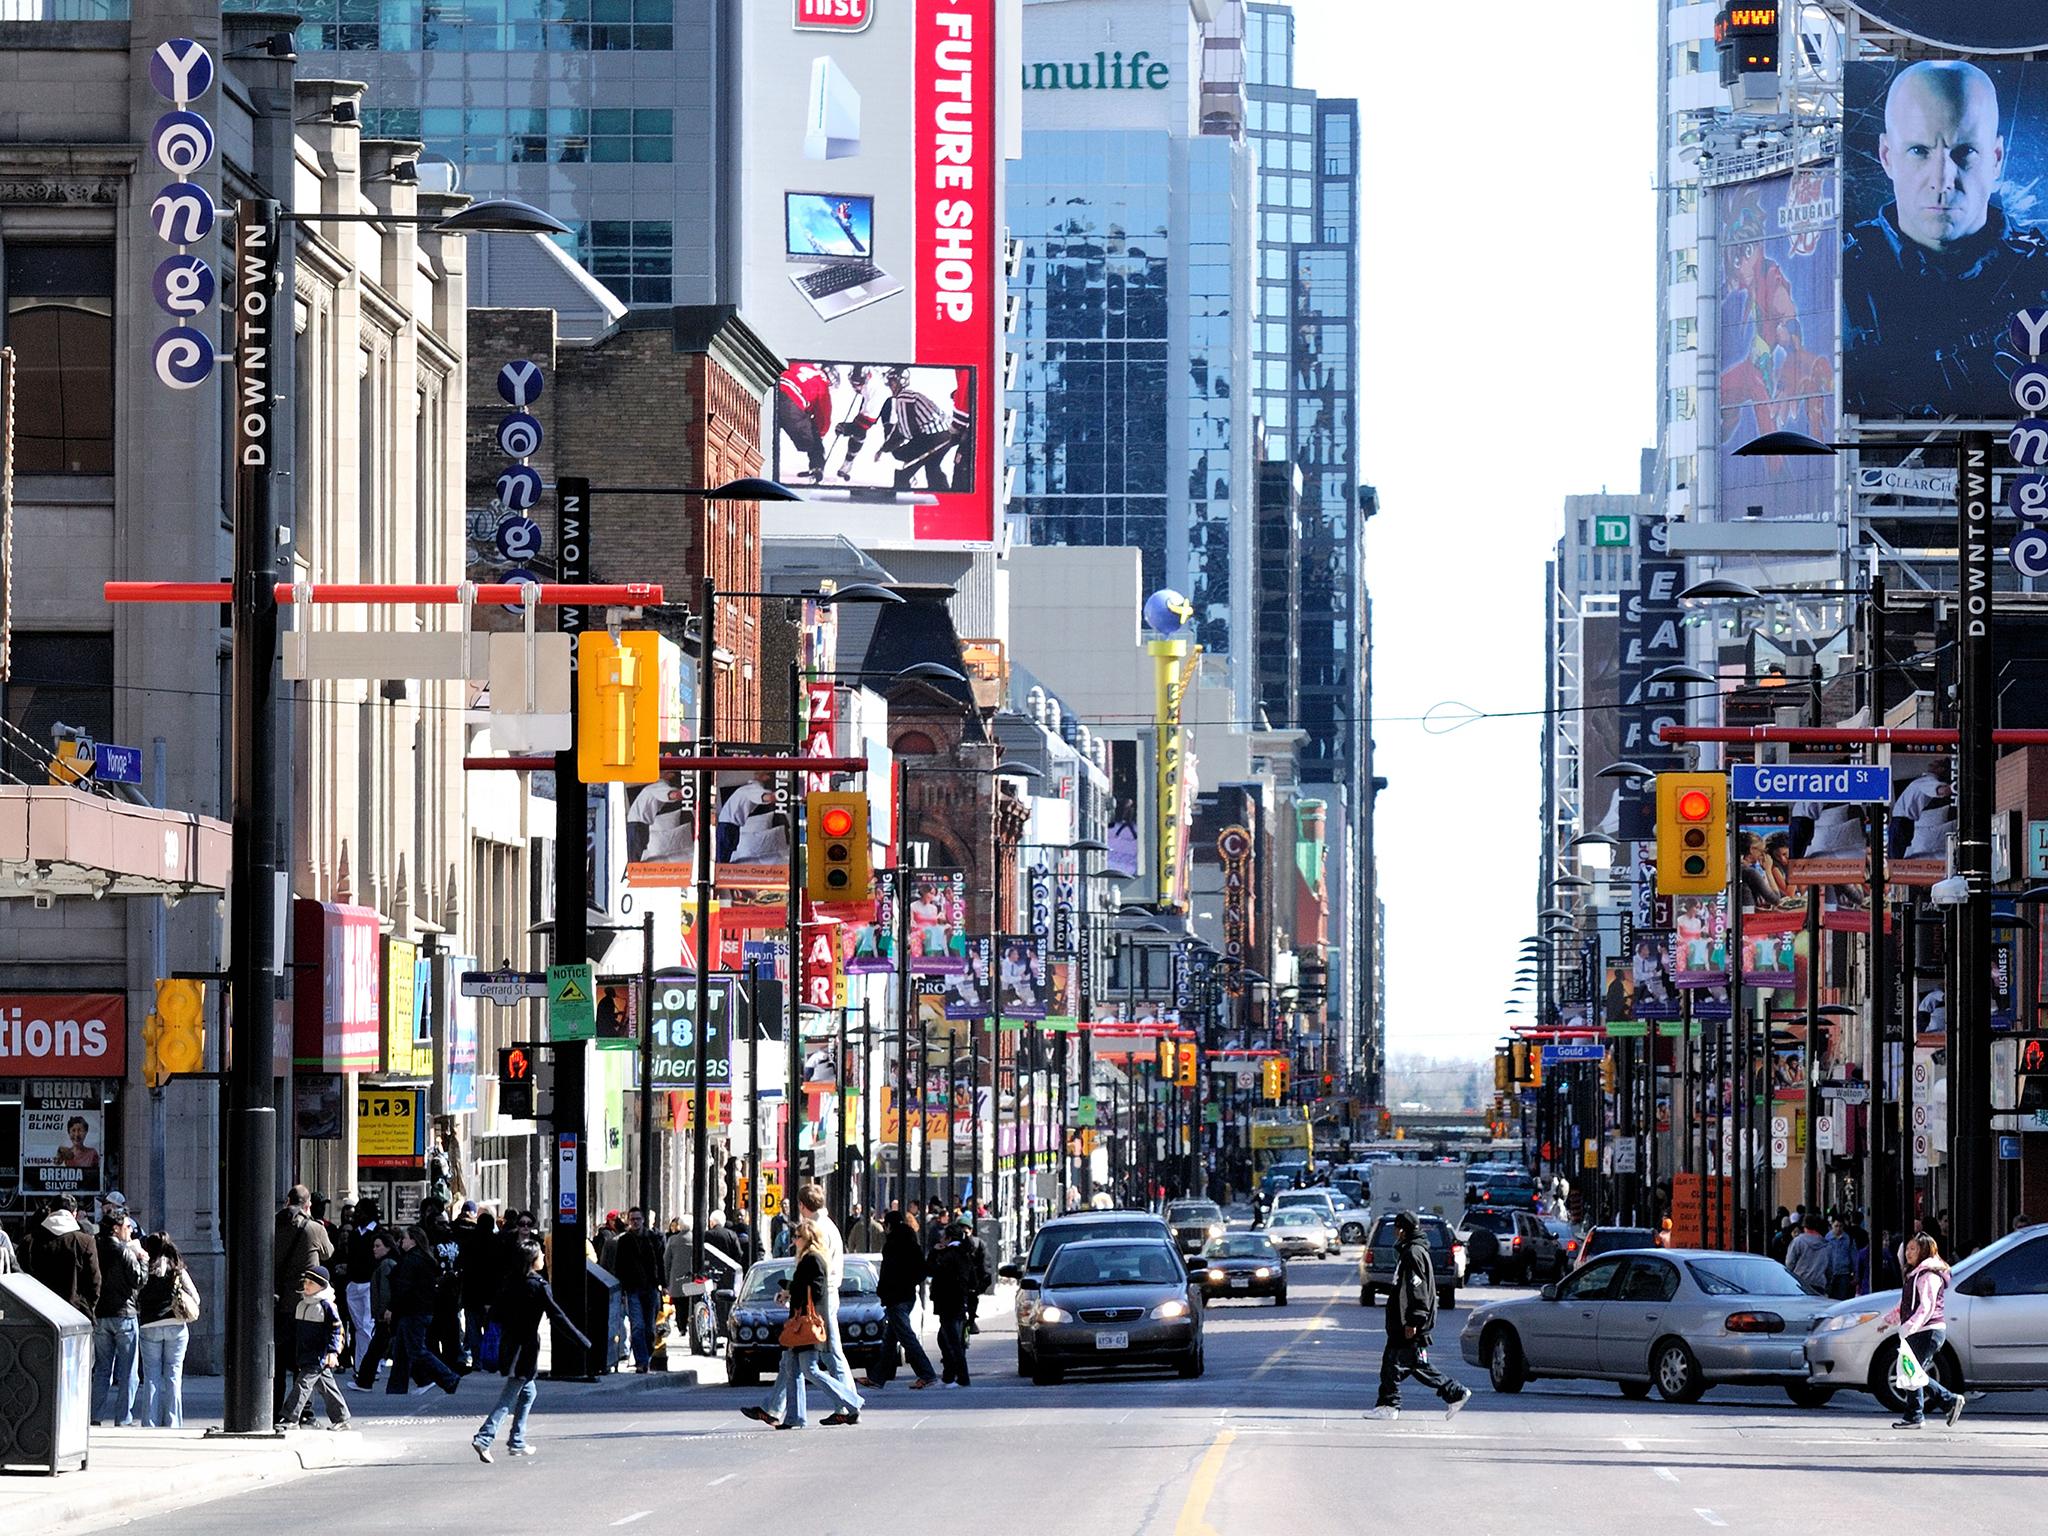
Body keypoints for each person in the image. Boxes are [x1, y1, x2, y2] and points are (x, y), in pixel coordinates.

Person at [1844, 60, 2048, 420]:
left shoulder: (2040, 270)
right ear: (1887, 157)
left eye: (1964, 151)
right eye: (1919, 150)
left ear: (1996, 158)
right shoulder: (1838, 280)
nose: (1942, 179)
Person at [472, 1239, 589, 1462]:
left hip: (510, 1346)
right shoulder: (537, 1285)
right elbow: (558, 1316)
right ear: (532, 1260)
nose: (544, 1258)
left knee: (528, 1392)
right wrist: (581, 1341)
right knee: (510, 1396)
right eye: (541, 1255)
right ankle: (484, 1437)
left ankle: (517, 1441)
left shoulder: (509, 1281)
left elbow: (494, 1314)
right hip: (523, 1349)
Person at [739, 1221, 864, 1430]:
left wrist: (792, 1289)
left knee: (810, 1370)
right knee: (791, 1368)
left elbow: (816, 1290)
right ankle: (794, 1417)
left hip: (806, 1323)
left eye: (798, 1237)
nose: (794, 1240)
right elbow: (805, 1286)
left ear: (808, 1239)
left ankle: (851, 1402)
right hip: (799, 1323)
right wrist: (789, 1288)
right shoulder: (808, 1259)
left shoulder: (813, 1259)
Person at [1364, 1212, 1471, 1422]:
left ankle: (1390, 1405)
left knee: (1397, 1365)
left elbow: (1418, 1289)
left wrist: (1414, 1320)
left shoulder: (1413, 1253)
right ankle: (1451, 1393)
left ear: (1402, 1229)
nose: (1395, 1232)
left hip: (1409, 1322)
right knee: (1405, 1364)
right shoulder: (1412, 1251)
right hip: (1403, 1321)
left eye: (1396, 1228)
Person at [1888, 1232, 1964, 1430]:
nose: (1908, 1253)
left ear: (1924, 1251)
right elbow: (1904, 1303)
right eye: (1907, 1249)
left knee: (1912, 1371)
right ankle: (1918, 1414)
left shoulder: (1928, 1275)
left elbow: (1926, 1306)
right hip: (1922, 1330)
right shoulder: (1917, 1274)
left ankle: (1941, 1404)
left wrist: (1909, 1326)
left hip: (1927, 1330)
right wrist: (1888, 1320)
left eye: (1913, 1249)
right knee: (1912, 1370)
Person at [272, 1185, 334, 1421]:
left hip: (278, 1303)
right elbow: (328, 1253)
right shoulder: (313, 1228)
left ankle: (275, 1407)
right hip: (304, 1302)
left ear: (287, 1201)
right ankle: (304, 1411)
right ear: (307, 1205)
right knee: (305, 1358)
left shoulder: (274, 1225)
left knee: (277, 1359)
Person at [863, 1209, 939, 1390]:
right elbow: (921, 1269)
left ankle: (926, 1374)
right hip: (906, 1294)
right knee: (890, 1339)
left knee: (906, 1337)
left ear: (888, 1225)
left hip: (895, 1297)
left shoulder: (892, 1245)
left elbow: (888, 1273)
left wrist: (885, 1291)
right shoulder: (912, 1243)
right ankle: (878, 1377)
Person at [796, 1181, 857, 1390]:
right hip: (826, 1293)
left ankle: (850, 1400)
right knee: (799, 1358)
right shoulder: (829, 1225)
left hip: (821, 1295)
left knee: (831, 1351)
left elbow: (816, 1267)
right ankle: (776, 1407)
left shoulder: (818, 1229)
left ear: (803, 1206)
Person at [278, 1264, 352, 1432]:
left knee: (302, 1385)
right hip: (306, 1355)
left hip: (318, 1355)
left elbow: (336, 1329)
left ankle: (290, 1417)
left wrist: (333, 1351)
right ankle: (341, 1418)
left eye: (311, 1283)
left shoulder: (326, 1306)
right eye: (306, 1282)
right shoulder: (303, 1304)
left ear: (321, 1285)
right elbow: (295, 1331)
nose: (306, 1286)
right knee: (327, 1387)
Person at [136, 1232, 199, 1427]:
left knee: (151, 1376)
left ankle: (150, 1422)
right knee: (173, 1375)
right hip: (175, 1325)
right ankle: (173, 1422)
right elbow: (195, 1298)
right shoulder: (177, 1270)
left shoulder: (144, 1269)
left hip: (149, 1326)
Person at [390, 1224, 461, 1396]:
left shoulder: (411, 1260)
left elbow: (404, 1287)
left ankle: (448, 1377)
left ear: (413, 1241)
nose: (401, 1242)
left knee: (417, 1350)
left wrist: (393, 1307)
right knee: (400, 1351)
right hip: (422, 1309)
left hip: (413, 1310)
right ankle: (396, 1388)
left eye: (405, 1239)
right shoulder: (425, 1258)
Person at [90, 1209, 146, 1426]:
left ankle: (95, 1415)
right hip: (124, 1314)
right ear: (116, 1228)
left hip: (102, 1315)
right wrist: (142, 1259)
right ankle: (123, 1417)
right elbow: (138, 1280)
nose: (130, 1230)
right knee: (129, 1370)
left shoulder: (95, 1247)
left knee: (103, 1369)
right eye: (127, 1226)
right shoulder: (124, 1251)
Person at [613, 1206, 666, 1374]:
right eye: (632, 1219)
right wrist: (621, 1289)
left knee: (650, 1328)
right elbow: (619, 1266)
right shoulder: (624, 1241)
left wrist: (664, 1284)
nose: (635, 1222)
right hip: (632, 1288)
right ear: (628, 1221)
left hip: (650, 1287)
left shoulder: (652, 1238)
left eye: (638, 1219)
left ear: (643, 1220)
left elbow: (660, 1261)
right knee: (637, 1326)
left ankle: (647, 1356)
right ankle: (641, 1362)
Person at [26, 1195, 99, 1314]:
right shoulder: (85, 1241)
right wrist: (86, 1306)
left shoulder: (30, 1241)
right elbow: (94, 1280)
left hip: (39, 1312)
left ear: (51, 1212)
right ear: (74, 1214)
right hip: (75, 1311)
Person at [349, 1230, 399, 1392]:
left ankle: (364, 1380)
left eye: (378, 1246)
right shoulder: (387, 1264)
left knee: (376, 1349)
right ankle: (364, 1380)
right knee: (379, 1348)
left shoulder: (386, 1265)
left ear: (388, 1248)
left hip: (385, 1315)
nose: (374, 1249)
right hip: (386, 1314)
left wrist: (384, 1312)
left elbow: (385, 1291)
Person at [928, 1223, 975, 1387]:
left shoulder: (950, 1255)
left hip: (949, 1303)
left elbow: (933, 1270)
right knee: (948, 1339)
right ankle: (950, 1375)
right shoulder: (964, 1253)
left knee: (952, 1342)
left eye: (943, 1237)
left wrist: (934, 1252)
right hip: (959, 1302)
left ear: (948, 1238)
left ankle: (962, 1377)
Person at [341, 1197, 383, 1371]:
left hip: (368, 1283)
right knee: (359, 1327)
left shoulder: (376, 1233)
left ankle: (370, 1366)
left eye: (360, 1211)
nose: (356, 1214)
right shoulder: (355, 1233)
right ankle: (361, 1365)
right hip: (354, 1282)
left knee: (367, 1325)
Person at [1785, 1214, 1831, 1292]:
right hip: (1819, 1283)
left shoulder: (1798, 1241)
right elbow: (1830, 1268)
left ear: (1804, 1226)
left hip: (1800, 1282)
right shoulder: (1826, 1245)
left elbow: (1789, 1263)